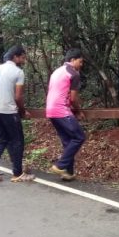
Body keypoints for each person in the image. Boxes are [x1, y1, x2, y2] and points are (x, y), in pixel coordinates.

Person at [0, 45, 36, 183]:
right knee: (17, 141)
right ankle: (18, 174)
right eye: (22, 57)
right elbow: (18, 97)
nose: (23, 60)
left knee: (0, 141)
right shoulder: (18, 72)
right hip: (9, 111)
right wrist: (23, 111)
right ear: (15, 57)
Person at [46, 48, 85, 181]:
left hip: (50, 110)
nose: (81, 64)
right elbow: (73, 98)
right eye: (80, 61)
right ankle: (60, 165)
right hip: (61, 110)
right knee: (79, 137)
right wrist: (78, 111)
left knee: (68, 142)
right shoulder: (73, 73)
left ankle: (68, 173)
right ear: (72, 60)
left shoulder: (57, 71)